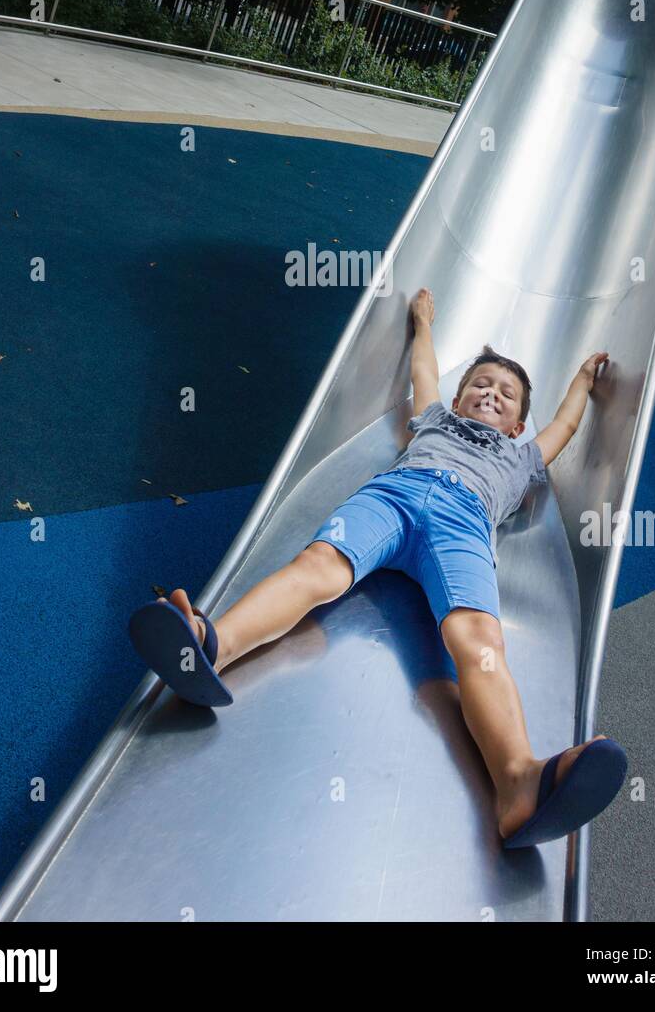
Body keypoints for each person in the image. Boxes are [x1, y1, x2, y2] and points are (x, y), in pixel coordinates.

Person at [129, 286, 627, 848]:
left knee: (479, 636)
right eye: (480, 385)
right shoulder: (434, 418)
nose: (490, 392)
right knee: (319, 567)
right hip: (392, 497)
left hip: (463, 525)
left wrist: (582, 382)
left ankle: (517, 782)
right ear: (459, 399)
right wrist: (423, 326)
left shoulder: (523, 454)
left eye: (507, 394)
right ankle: (210, 645)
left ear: (517, 425)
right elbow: (424, 372)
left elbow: (562, 426)